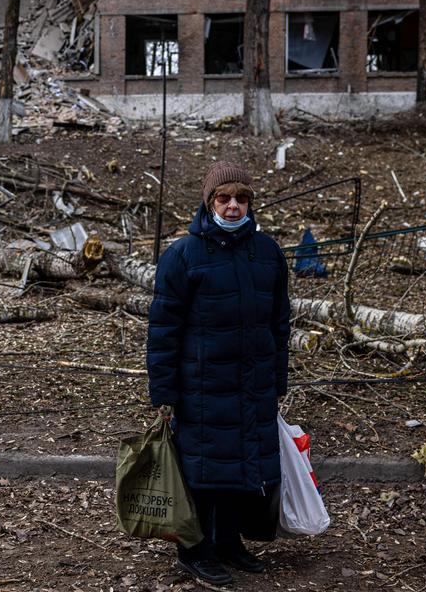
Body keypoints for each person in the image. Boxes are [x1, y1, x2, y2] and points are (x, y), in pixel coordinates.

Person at [146, 161, 290, 586]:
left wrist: (277, 381)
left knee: (241, 470)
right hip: (201, 388)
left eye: (241, 198)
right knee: (201, 473)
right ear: (209, 202)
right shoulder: (183, 255)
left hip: (252, 384)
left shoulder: (267, 253)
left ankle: (228, 543)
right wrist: (164, 392)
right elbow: (163, 329)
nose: (232, 207)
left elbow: (279, 323)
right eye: (224, 198)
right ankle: (193, 551)